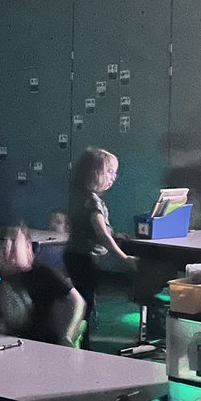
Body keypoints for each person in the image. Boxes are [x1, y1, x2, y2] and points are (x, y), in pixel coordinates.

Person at [65, 148, 137, 347]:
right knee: (85, 302)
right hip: (84, 258)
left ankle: (79, 336)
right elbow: (101, 234)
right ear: (94, 173)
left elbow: (94, 229)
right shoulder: (93, 202)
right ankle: (78, 340)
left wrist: (114, 234)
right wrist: (123, 257)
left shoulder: (82, 196)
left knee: (84, 298)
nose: (114, 177)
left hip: (76, 255)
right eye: (109, 172)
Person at [0, 224, 85, 347]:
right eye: (0, 243)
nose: (6, 247)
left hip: (48, 350)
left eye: (13, 241)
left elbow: (78, 301)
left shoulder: (44, 274)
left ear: (28, 247)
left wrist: (66, 336)